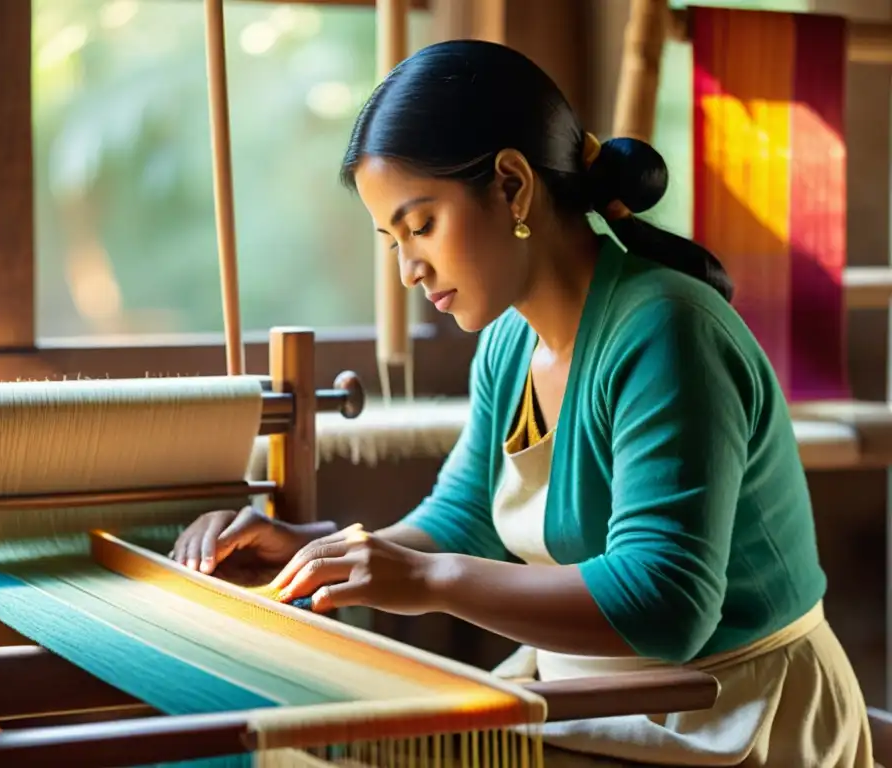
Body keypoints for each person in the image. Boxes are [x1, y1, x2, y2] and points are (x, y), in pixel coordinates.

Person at [171, 40, 872, 767]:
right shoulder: (510, 343)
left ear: (511, 184)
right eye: (392, 241)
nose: (410, 269)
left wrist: (426, 581)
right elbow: (463, 521)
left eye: (421, 225)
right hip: (594, 702)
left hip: (725, 720)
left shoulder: (667, 330)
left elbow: (667, 606)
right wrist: (316, 554)